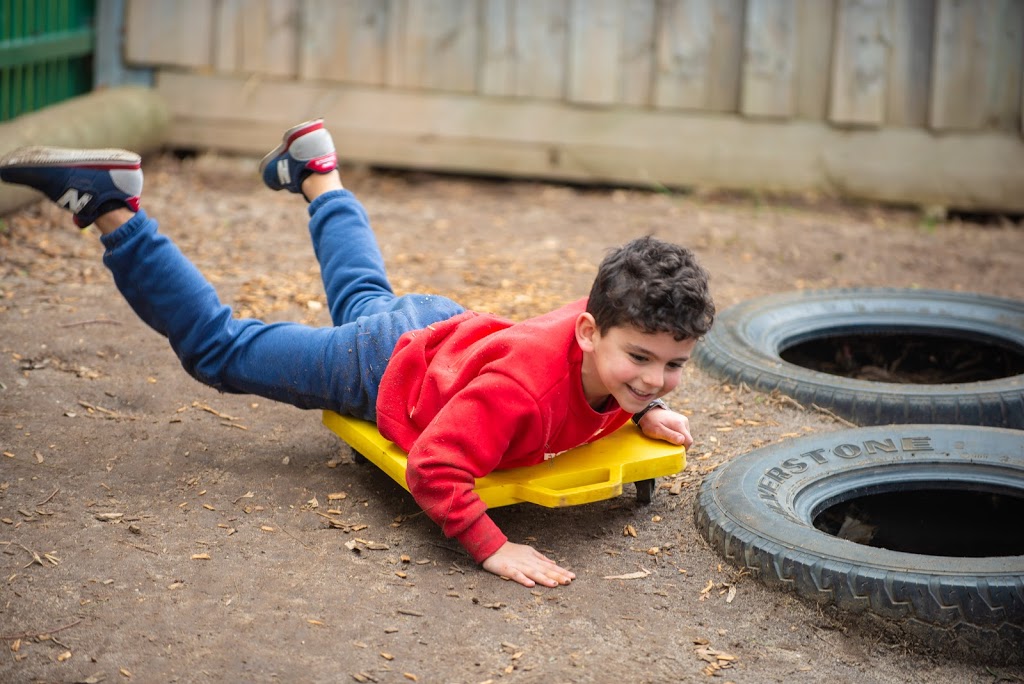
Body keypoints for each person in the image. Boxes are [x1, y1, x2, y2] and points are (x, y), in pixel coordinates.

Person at [0, 120, 715, 589]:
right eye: (641, 360)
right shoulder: (519, 393)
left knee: (367, 293)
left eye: (672, 365)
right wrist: (494, 547)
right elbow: (437, 466)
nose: (656, 379)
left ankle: (317, 168)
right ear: (592, 333)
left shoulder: (607, 351)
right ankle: (110, 206)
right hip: (384, 365)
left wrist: (634, 414)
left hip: (442, 333)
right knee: (218, 349)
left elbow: (597, 385)